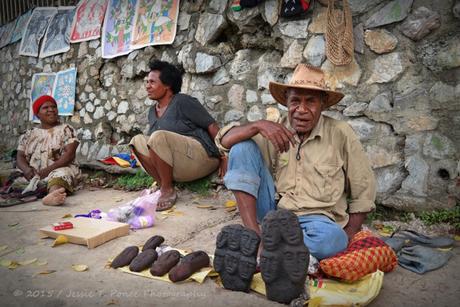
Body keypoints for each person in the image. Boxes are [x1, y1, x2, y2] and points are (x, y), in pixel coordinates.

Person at [215, 64, 376, 260]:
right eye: (295, 101)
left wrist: (349, 234)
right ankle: (254, 236)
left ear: (323, 104)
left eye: (310, 102)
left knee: (332, 242)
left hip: (318, 220)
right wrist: (257, 125)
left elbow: (363, 190)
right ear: (287, 103)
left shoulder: (340, 133)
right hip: (273, 213)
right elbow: (223, 142)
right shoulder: (275, 129)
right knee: (242, 147)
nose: (301, 110)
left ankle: (268, 247)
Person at [130, 60, 226, 211]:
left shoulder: (183, 101)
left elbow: (212, 126)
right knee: (137, 141)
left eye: (152, 82)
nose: (147, 86)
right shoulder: (152, 111)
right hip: (178, 165)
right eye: (147, 82)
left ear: (167, 85)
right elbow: (154, 147)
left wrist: (224, 156)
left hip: (202, 158)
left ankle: (167, 189)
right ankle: (162, 184)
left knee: (158, 137)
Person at [16, 95, 81, 206]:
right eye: (46, 108)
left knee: (61, 175)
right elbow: (20, 156)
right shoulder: (29, 134)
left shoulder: (66, 129)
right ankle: (40, 188)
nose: (51, 109)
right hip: (34, 173)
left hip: (57, 169)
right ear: (37, 114)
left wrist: (45, 172)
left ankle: (52, 195)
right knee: (16, 178)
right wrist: (27, 170)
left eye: (54, 107)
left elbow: (69, 155)